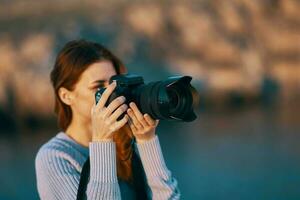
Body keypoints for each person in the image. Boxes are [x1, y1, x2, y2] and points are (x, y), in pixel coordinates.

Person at [35, 39, 180, 199]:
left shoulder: (127, 144)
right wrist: (102, 143)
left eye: (114, 84)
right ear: (66, 96)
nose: (111, 93)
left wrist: (147, 141)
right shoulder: (55, 157)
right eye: (98, 87)